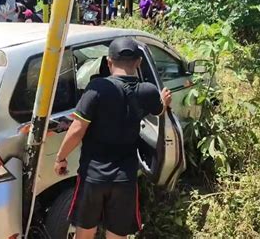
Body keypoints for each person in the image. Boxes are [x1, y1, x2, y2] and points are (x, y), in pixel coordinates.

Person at [54, 37, 172, 239]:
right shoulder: (148, 91)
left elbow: (77, 129)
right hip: (125, 178)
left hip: (92, 176)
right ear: (138, 63)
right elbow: (160, 111)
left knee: (84, 231)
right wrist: (164, 101)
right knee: (118, 233)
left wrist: (60, 158)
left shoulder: (96, 89)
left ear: (109, 62)